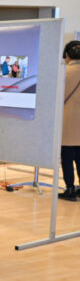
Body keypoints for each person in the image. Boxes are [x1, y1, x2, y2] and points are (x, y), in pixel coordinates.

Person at [58, 41, 80, 201]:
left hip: (67, 122)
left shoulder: (64, 73)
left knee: (66, 157)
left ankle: (70, 189)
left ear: (67, 54)